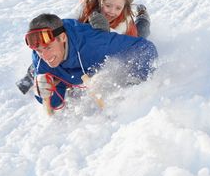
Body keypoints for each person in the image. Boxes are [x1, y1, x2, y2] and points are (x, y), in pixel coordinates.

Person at [16, 0, 151, 94]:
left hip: (116, 38)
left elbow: (115, 48)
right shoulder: (88, 5)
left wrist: (105, 32)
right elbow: (65, 24)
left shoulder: (125, 22)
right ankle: (31, 74)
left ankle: (142, 14)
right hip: (81, 38)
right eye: (108, 5)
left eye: (117, 8)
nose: (111, 11)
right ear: (100, 0)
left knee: (142, 33)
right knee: (51, 46)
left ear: (124, 8)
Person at [24, 13, 158, 115]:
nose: (45, 56)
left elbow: (145, 47)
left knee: (137, 33)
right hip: (76, 70)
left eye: (48, 48)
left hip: (102, 40)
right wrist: (42, 92)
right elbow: (54, 104)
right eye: (39, 50)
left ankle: (142, 17)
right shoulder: (39, 58)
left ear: (62, 38)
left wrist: (134, 82)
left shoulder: (94, 44)